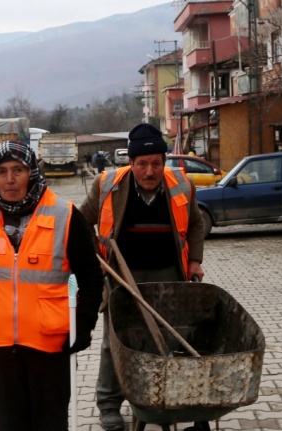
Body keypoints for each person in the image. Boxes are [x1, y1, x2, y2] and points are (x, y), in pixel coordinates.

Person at [0, 140, 104, 431]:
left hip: (50, 346)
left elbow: (90, 277)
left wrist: (83, 325)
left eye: (18, 170)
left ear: (32, 172)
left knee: (49, 424)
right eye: (1, 171)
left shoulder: (66, 216)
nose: (9, 179)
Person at [79, 123, 206, 431]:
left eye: (156, 163)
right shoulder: (108, 185)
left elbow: (196, 225)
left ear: (164, 162)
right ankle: (109, 404)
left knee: (164, 337)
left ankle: (156, 398)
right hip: (123, 276)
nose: (150, 171)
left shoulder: (182, 185)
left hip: (168, 276)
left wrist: (195, 262)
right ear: (131, 163)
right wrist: (96, 255)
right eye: (142, 164)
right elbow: (82, 222)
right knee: (116, 342)